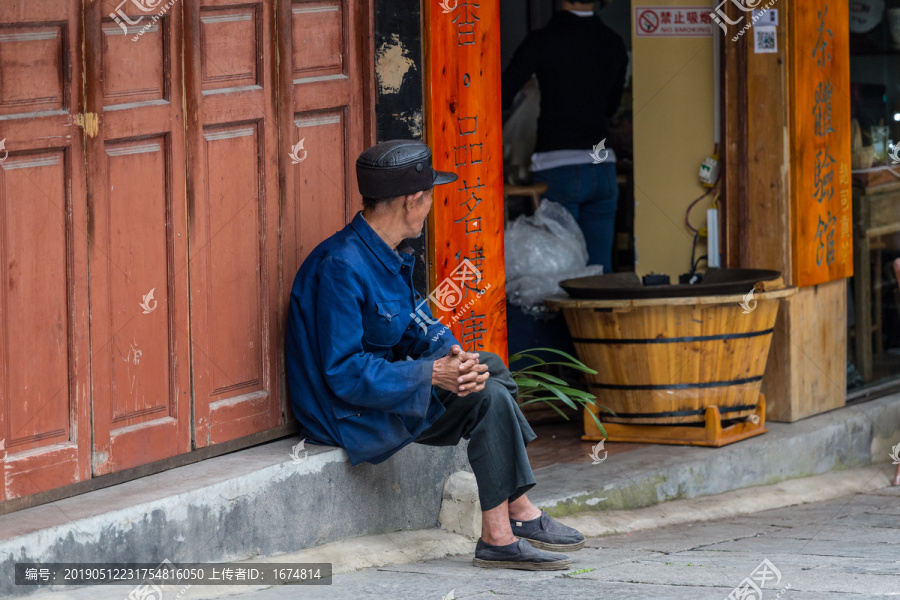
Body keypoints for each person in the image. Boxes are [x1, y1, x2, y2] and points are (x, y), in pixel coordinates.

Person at [284, 139, 586, 570]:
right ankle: (504, 528)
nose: (429, 207)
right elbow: (344, 374)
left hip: (375, 394)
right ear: (412, 201)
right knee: (489, 397)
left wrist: (451, 355)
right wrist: (430, 374)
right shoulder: (341, 266)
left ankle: (514, 513)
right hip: (344, 413)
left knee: (485, 368)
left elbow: (409, 325)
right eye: (428, 198)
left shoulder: (379, 251)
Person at [502, 0, 628, 272]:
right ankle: (599, 315)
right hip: (602, 167)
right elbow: (611, 108)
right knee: (598, 272)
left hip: (557, 168)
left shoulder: (541, 40)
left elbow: (501, 94)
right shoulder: (614, 43)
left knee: (561, 270)